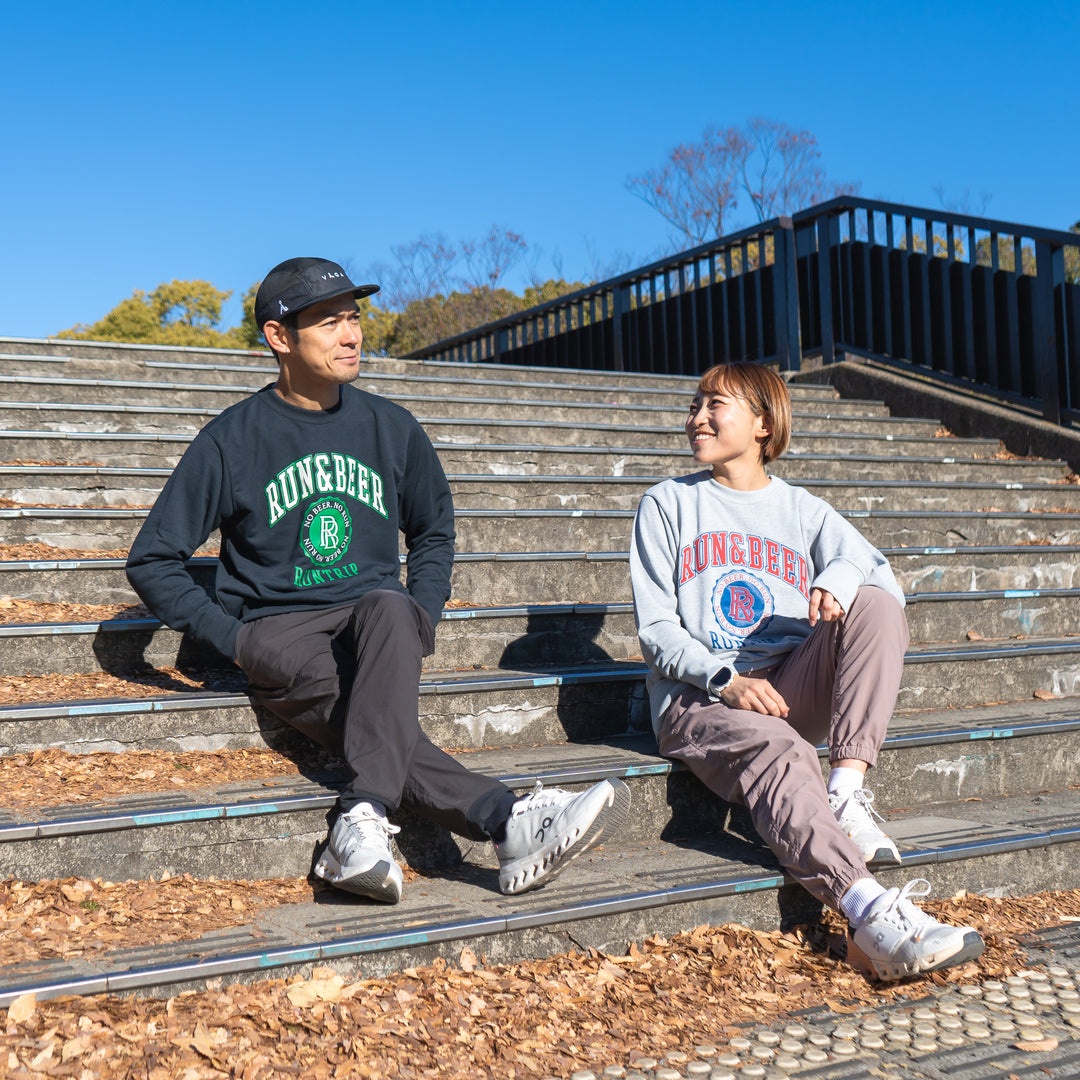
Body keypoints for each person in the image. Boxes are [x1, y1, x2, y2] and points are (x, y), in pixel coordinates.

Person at [127, 256, 629, 904]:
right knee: (382, 725)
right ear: (279, 337)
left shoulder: (390, 428)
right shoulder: (232, 441)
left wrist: (423, 612)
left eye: (354, 317)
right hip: (283, 633)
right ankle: (509, 821)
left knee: (390, 608)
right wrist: (236, 641)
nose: (351, 334)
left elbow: (435, 530)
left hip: (378, 622)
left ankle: (362, 822)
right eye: (329, 321)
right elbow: (153, 559)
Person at [629, 361, 984, 981]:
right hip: (702, 700)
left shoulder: (803, 510)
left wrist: (840, 578)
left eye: (717, 404)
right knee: (783, 749)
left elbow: (878, 571)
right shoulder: (667, 504)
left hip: (789, 680)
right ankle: (871, 913)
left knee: (874, 602)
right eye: (695, 404)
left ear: (763, 422)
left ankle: (844, 792)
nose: (697, 417)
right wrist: (725, 680)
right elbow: (657, 630)